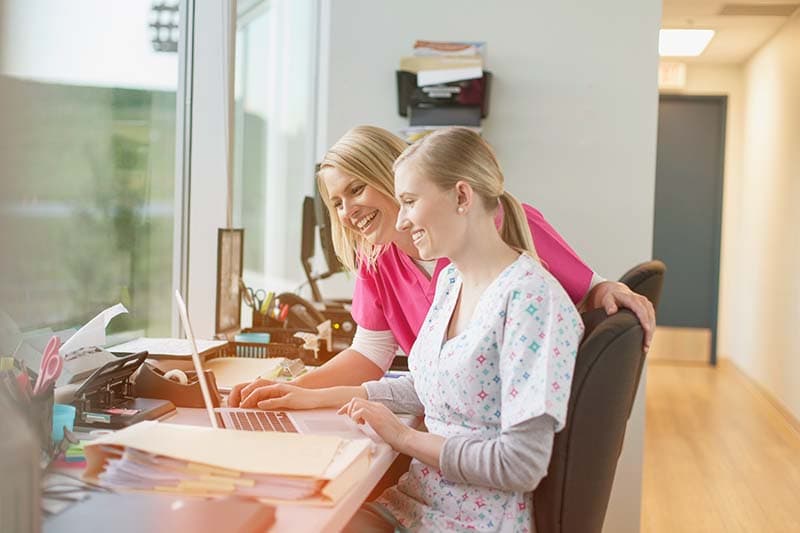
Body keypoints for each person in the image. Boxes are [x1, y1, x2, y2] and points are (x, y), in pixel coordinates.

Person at [239, 127, 585, 531]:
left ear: (461, 197)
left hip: (472, 520)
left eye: (409, 202)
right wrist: (313, 395)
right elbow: (432, 383)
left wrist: (403, 438)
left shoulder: (531, 299)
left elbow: (519, 464)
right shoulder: (453, 281)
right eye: (337, 202)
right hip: (417, 501)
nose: (402, 220)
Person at [229, 125, 653, 408]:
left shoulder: (492, 227)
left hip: (496, 425)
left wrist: (606, 288)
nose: (346, 211)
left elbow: (590, 291)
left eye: (356, 189)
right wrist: (293, 389)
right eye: (336, 202)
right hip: (446, 413)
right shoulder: (376, 260)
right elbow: (370, 352)